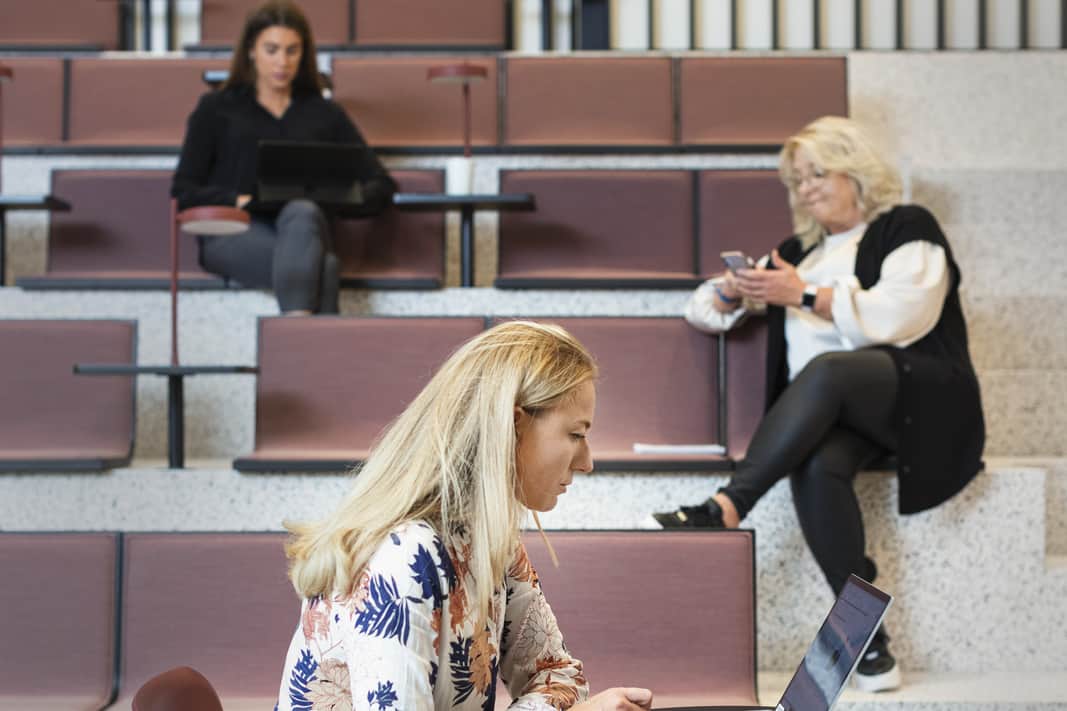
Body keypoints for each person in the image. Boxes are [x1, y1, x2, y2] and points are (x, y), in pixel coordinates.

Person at [653, 116, 985, 692]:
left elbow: (902, 315)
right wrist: (733, 291)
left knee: (827, 369)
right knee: (815, 466)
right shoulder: (796, 252)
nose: (805, 189)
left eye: (816, 173)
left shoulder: (906, 226)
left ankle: (732, 500)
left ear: (855, 171)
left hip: (914, 398)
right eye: (796, 181)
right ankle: (873, 648)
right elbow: (701, 312)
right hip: (835, 417)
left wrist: (801, 294)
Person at [276, 321, 654, 711]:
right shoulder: (403, 557)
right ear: (513, 425)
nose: (588, 462)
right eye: (576, 434)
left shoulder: (490, 538)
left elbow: (559, 675)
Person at [172, 0, 395, 315]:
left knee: (303, 211)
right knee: (325, 267)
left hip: (307, 231)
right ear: (251, 50)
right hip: (236, 233)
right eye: (272, 49)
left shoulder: (324, 114)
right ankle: (310, 351)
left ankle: (294, 345)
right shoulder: (216, 109)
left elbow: (381, 185)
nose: (282, 62)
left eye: (292, 50)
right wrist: (238, 200)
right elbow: (183, 191)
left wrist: (337, 198)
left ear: (304, 54)